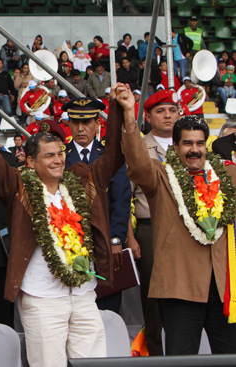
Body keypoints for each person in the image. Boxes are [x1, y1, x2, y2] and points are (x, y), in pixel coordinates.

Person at [0, 83, 131, 366]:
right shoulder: (20, 187)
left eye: (60, 153)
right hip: (42, 299)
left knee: (93, 364)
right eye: (49, 155)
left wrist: (116, 110)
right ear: (30, 161)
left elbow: (113, 156)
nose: (58, 160)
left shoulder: (81, 180)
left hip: (85, 295)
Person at [122, 93, 236, 355]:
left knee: (230, 358)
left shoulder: (225, 175)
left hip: (223, 290)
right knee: (181, 359)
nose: (194, 150)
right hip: (180, 289)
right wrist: (130, 115)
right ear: (174, 148)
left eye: (199, 143)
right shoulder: (160, 176)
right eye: (187, 144)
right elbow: (136, 161)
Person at [124, 89, 180, 355]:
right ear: (147, 116)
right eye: (161, 111)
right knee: (154, 297)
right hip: (150, 229)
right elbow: (125, 196)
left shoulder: (189, 145)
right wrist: (131, 237)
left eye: (172, 110)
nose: (168, 116)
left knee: (182, 296)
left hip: (185, 230)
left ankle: (182, 351)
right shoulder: (140, 147)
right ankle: (155, 354)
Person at [63, 96, 131, 314]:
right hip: (70, 242)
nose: (81, 128)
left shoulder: (108, 155)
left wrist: (116, 239)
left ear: (97, 124)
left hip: (105, 241)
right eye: (75, 122)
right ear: (69, 124)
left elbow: (120, 199)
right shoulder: (59, 156)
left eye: (87, 122)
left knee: (106, 308)